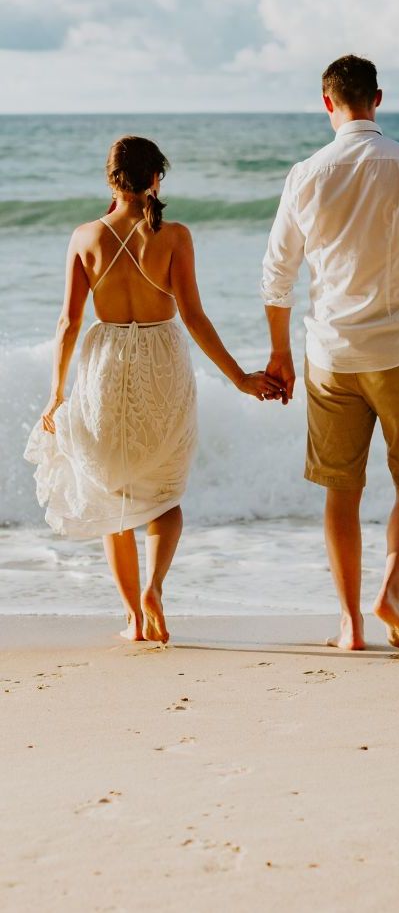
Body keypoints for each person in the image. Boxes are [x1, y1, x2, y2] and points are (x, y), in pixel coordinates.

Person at [262, 55, 399, 651]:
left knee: (342, 489)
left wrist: (280, 354)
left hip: (330, 354)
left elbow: (276, 274)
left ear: (326, 102)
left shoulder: (304, 174)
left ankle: (350, 623)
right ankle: (390, 590)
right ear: (377, 98)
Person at [25, 136, 280, 643]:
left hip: (104, 367)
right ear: (156, 178)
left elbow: (68, 322)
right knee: (165, 491)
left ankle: (133, 619)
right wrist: (241, 379)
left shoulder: (84, 237)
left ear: (110, 179)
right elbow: (195, 316)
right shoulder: (176, 237)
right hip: (162, 362)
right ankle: (155, 589)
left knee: (111, 496)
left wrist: (56, 393)